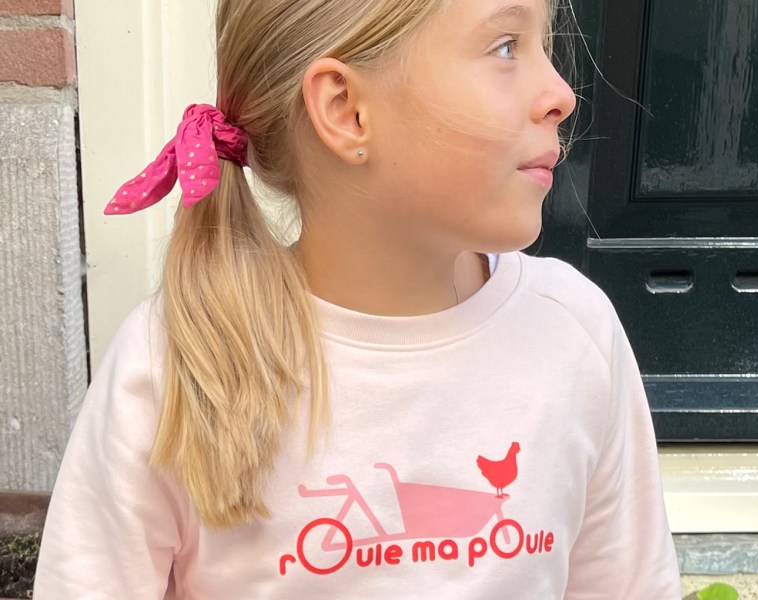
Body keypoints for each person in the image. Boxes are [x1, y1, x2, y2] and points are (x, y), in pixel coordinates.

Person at [34, 0, 681, 597]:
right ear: (346, 110)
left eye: (546, 45)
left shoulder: (573, 334)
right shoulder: (175, 363)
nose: (562, 94)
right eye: (506, 47)